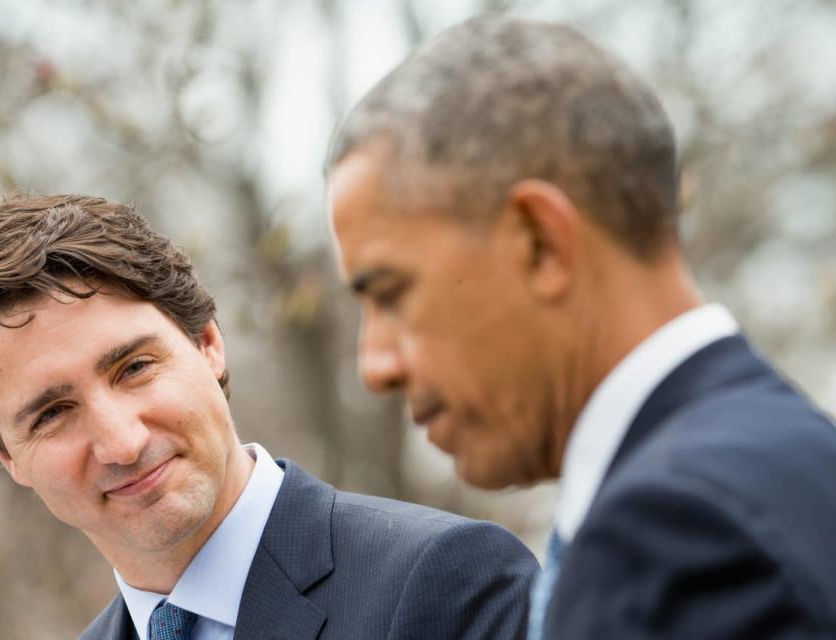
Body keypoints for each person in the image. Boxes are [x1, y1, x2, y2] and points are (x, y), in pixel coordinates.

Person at [327, 13, 836, 640]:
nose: (375, 365)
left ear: (540, 242)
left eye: (391, 293)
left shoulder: (674, 538)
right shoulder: (786, 457)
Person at [0, 194, 538, 640]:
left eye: (133, 368)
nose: (121, 441)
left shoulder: (443, 586)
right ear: (9, 458)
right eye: (53, 413)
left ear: (208, 344)